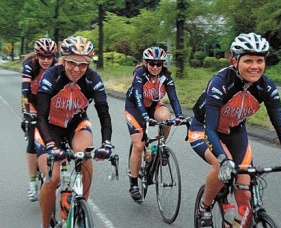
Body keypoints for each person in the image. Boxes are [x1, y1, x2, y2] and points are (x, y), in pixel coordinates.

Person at [189, 32, 281, 227]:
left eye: (260, 60)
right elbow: (210, 127)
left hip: (235, 132)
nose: (255, 66)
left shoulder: (266, 86)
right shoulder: (221, 83)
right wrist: (224, 159)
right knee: (221, 167)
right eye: (249, 60)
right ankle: (205, 206)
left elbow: (280, 123)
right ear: (235, 61)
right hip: (203, 130)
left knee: (245, 195)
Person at [35, 36, 113, 228]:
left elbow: (104, 114)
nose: (77, 69)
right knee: (53, 179)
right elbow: (41, 116)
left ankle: (80, 210)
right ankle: (46, 224)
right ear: (63, 59)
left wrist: (107, 143)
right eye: (72, 63)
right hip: (50, 126)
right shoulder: (51, 75)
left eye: (83, 65)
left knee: (86, 158)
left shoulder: (93, 79)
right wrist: (51, 145)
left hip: (75, 125)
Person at [125, 46, 184, 202]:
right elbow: (137, 96)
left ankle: (159, 148)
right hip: (135, 107)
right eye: (152, 63)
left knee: (166, 118)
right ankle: (133, 183)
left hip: (152, 105)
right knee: (138, 145)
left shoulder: (166, 77)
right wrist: (144, 116)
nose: (155, 67)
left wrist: (179, 116)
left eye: (159, 63)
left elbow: (173, 98)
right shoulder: (140, 74)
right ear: (145, 63)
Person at [21, 38, 58, 202]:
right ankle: (32, 182)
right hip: (33, 102)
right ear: (37, 56)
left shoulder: (58, 66)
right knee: (32, 140)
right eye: (42, 56)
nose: (45, 60)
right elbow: (25, 93)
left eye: (49, 57)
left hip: (49, 103)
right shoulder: (30, 65)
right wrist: (27, 113)